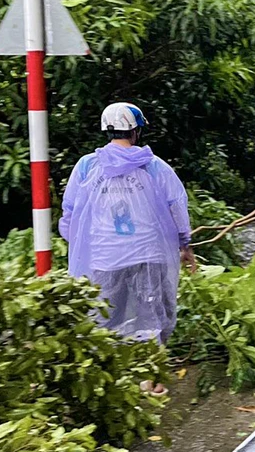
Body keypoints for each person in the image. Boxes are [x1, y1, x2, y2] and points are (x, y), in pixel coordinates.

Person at [59, 102, 195, 396]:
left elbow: (69, 213)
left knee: (105, 317)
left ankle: (111, 381)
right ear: (136, 130)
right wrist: (185, 244)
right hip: (150, 255)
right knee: (153, 316)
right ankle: (152, 380)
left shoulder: (86, 167)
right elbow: (177, 207)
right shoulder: (154, 166)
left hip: (105, 258)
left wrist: (76, 243)